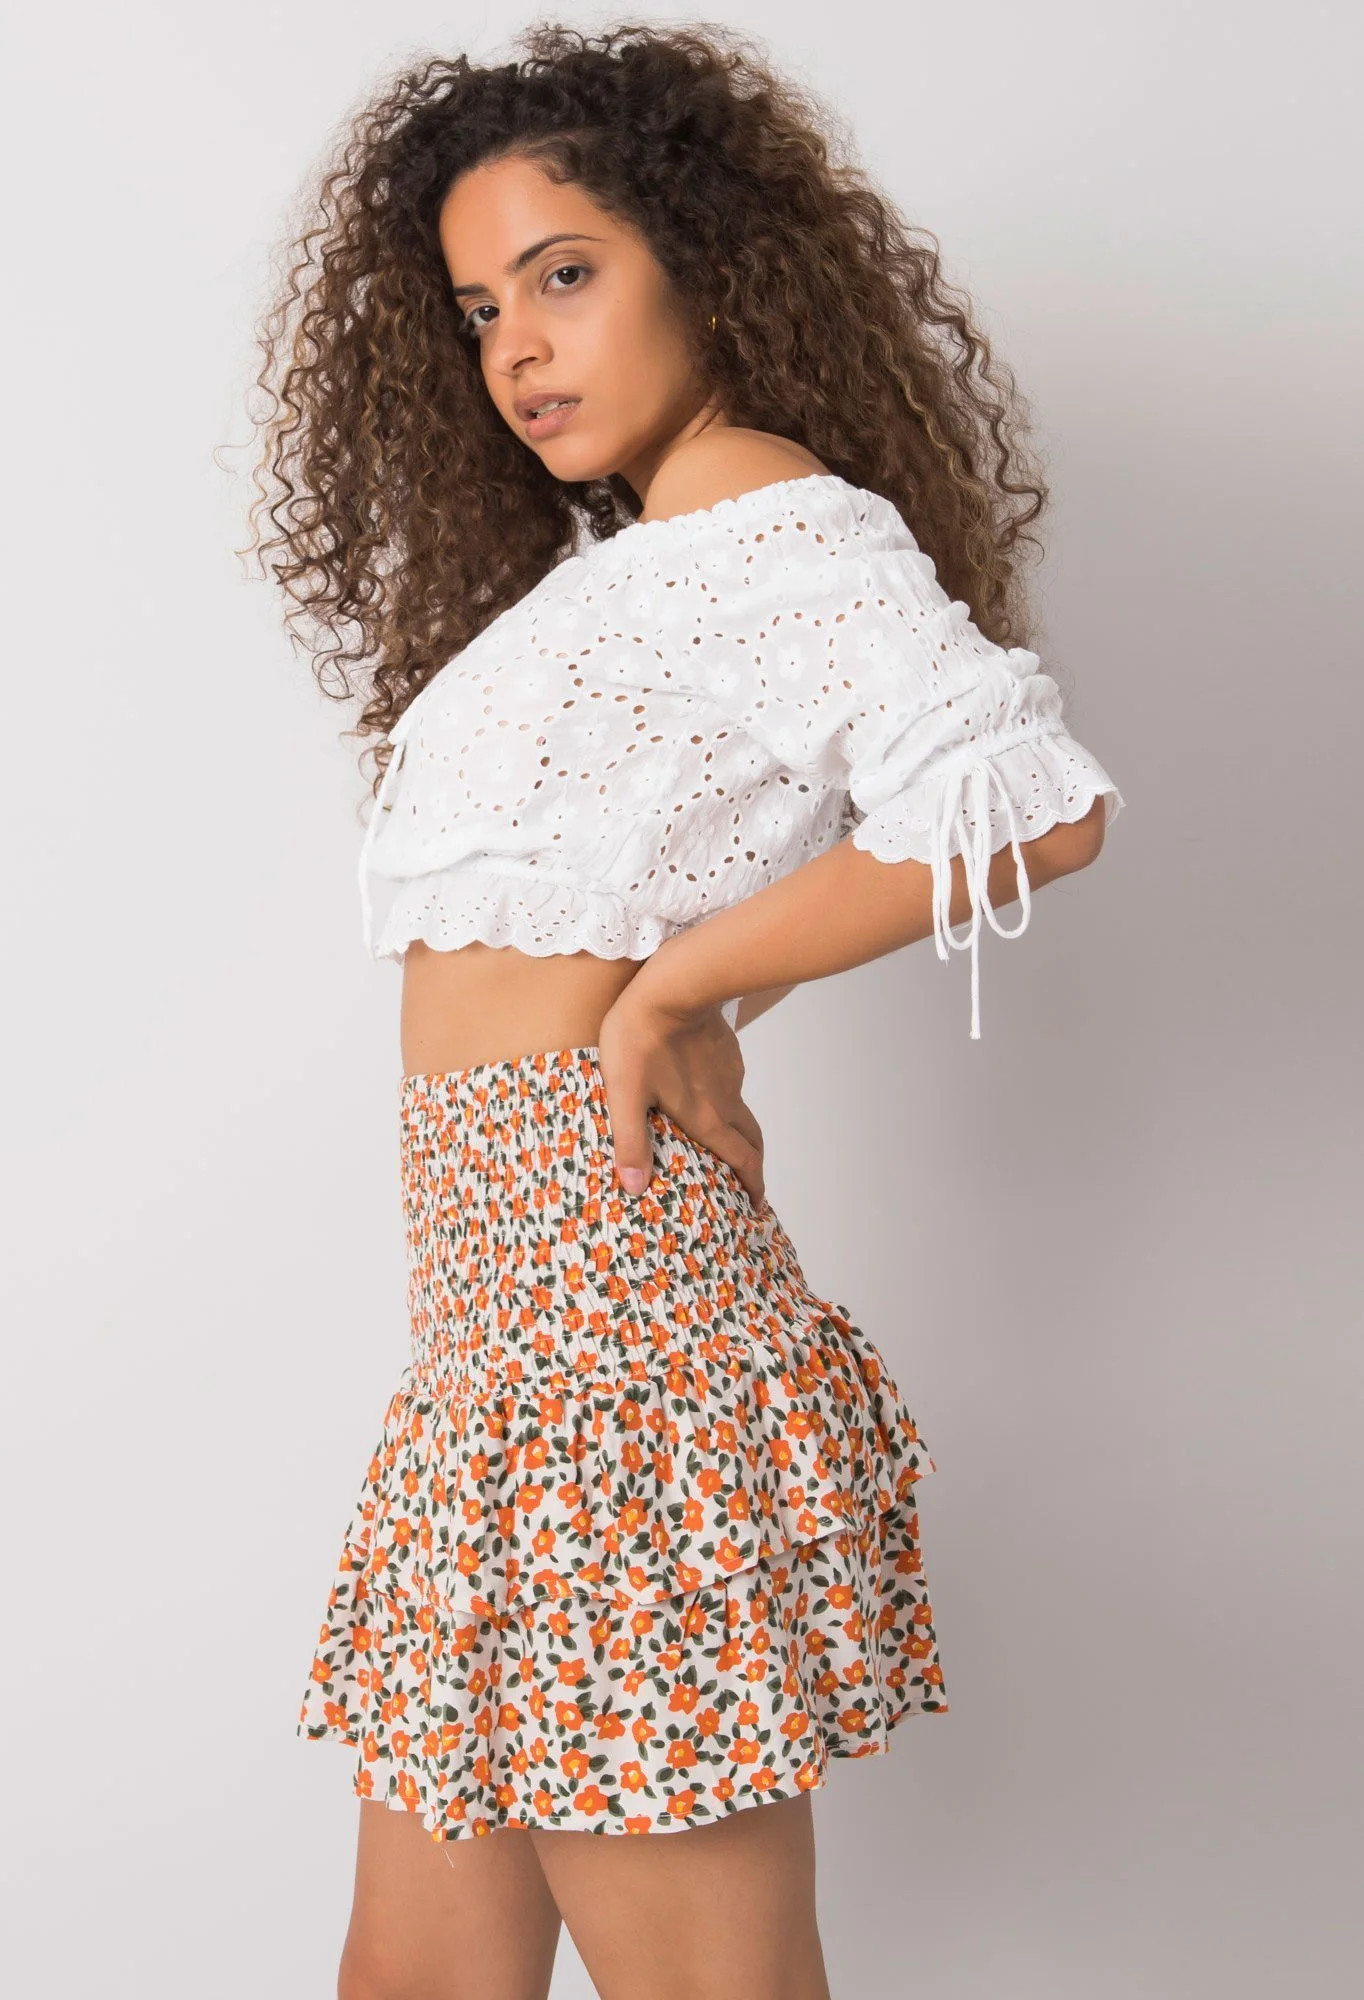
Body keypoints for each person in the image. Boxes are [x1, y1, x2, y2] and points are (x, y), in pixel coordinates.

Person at [245, 23, 1124, 2000]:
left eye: (565, 274)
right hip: (503, 1341)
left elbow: (1031, 804)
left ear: (706, 261)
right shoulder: (648, 560)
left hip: (612, 1333)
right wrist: (697, 981)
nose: (519, 347)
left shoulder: (759, 515)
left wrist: (687, 986)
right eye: (482, 308)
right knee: (415, 1979)